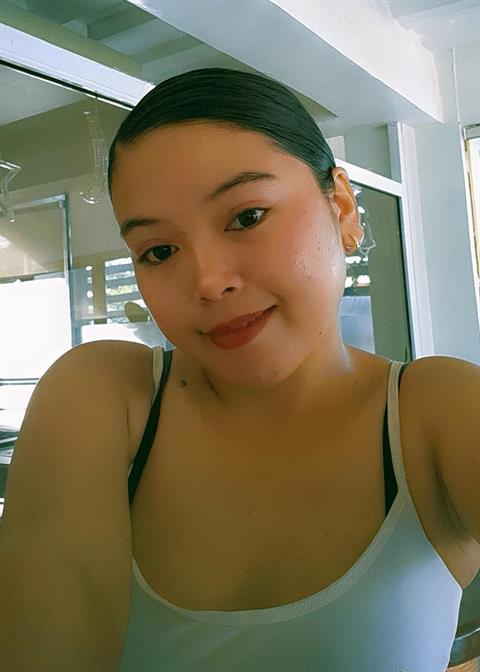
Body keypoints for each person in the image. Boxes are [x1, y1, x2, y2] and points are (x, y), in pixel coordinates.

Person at [0, 67, 470, 672]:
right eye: (159, 251)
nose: (207, 281)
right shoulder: (105, 397)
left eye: (247, 217)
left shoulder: (436, 414)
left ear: (342, 206)